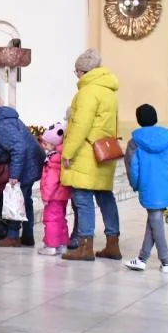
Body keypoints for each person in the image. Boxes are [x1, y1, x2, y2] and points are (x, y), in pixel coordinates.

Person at [61, 49, 122, 262]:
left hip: (86, 152)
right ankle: (113, 244)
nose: (76, 76)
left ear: (83, 71)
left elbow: (80, 125)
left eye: (76, 71)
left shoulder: (87, 92)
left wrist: (68, 152)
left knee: (83, 197)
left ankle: (85, 246)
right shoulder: (108, 91)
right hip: (104, 151)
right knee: (105, 197)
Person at [0, 100, 44, 248]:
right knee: (25, 199)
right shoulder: (3, 119)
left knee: (16, 200)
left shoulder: (1, 125)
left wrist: (14, 175)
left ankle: (13, 236)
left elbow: (18, 148)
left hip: (24, 165)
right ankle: (27, 235)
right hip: (30, 162)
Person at [124, 104, 168, 274]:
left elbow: (133, 169)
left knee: (155, 220)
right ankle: (142, 259)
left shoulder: (134, 142)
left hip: (148, 185)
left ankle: (165, 261)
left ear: (138, 120)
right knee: (153, 221)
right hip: (167, 185)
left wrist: (136, 185)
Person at [38, 120, 71, 256]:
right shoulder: (62, 155)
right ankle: (62, 244)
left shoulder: (54, 159)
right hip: (62, 195)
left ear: (53, 144)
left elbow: (51, 180)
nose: (44, 146)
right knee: (61, 219)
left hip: (53, 196)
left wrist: (46, 196)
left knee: (51, 220)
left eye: (46, 144)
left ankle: (51, 246)